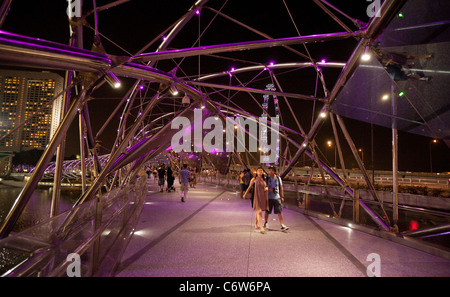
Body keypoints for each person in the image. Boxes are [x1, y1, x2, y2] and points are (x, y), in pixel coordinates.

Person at [243, 167, 268, 234]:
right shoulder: (253, 179)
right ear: (256, 172)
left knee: (258, 211)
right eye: (259, 170)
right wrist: (245, 194)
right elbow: (249, 187)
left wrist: (266, 188)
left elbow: (265, 187)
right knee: (259, 211)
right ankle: (261, 228)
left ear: (263, 172)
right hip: (255, 197)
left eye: (261, 170)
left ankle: (255, 223)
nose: (260, 171)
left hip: (262, 196)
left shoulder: (264, 180)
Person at [265, 166, 289, 232]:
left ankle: (282, 225)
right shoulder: (267, 178)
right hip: (269, 197)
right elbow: (264, 187)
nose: (270, 171)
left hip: (277, 197)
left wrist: (282, 196)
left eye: (272, 170)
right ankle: (266, 222)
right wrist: (269, 190)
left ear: (274, 171)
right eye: (269, 170)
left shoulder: (278, 178)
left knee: (279, 211)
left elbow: (281, 188)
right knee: (267, 211)